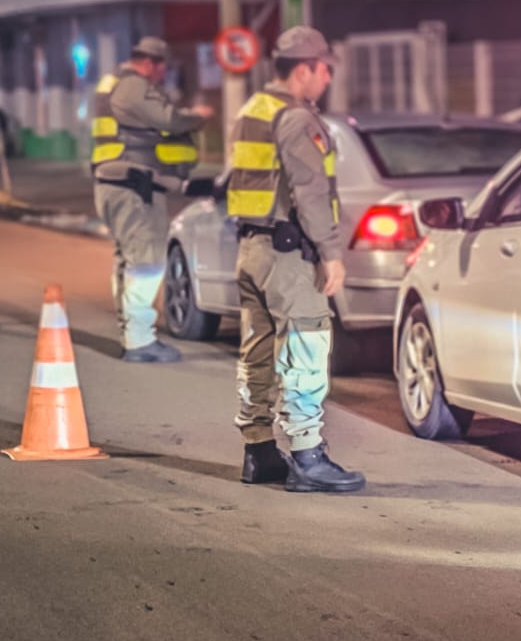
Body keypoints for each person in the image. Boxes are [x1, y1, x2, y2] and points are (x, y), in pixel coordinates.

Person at [225, 26, 365, 493]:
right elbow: (309, 190)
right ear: (303, 69)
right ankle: (307, 457)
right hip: (287, 252)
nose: (326, 78)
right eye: (324, 68)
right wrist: (330, 253)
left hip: (252, 249)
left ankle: (259, 451)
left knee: (258, 353)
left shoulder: (253, 110)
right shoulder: (295, 118)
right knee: (306, 344)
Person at [89, 36, 215, 363]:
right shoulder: (133, 86)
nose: (161, 76)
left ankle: (133, 333)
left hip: (113, 182)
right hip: (134, 186)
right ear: (150, 62)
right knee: (147, 262)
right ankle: (140, 342)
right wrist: (197, 116)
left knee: (128, 259)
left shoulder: (109, 84)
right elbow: (168, 119)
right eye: (161, 69)